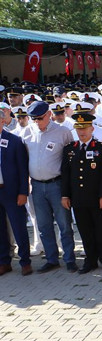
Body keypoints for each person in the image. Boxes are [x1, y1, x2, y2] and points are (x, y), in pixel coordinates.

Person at [22, 101, 76, 273]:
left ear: (48, 114)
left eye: (39, 118)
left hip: (57, 184)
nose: (36, 122)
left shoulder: (63, 132)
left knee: (64, 225)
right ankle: (52, 259)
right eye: (33, 119)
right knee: (44, 226)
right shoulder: (27, 132)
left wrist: (69, 189)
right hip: (37, 186)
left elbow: (71, 161)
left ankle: (69, 259)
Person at [60, 113, 102, 274]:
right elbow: (66, 175)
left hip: (97, 198)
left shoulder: (101, 149)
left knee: (101, 230)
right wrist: (65, 195)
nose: (81, 131)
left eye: (84, 128)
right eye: (78, 128)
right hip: (79, 198)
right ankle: (90, 260)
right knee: (85, 230)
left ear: (92, 128)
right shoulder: (70, 150)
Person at [0, 116, 32, 276]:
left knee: (19, 227)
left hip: (11, 192)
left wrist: (23, 192)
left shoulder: (14, 140)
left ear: (2, 121)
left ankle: (25, 261)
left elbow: (23, 169)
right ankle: (4, 262)